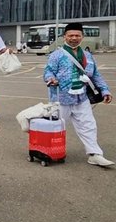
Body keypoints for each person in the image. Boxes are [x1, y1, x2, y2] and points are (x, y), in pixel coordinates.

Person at [43, 22, 114, 167]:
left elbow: (96, 75)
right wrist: (51, 79)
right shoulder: (57, 55)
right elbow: (48, 71)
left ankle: (95, 154)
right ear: (64, 37)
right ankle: (48, 152)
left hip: (82, 98)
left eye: (77, 35)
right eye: (71, 35)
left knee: (88, 125)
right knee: (56, 128)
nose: (74, 38)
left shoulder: (87, 55)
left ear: (82, 37)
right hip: (61, 99)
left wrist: (105, 90)